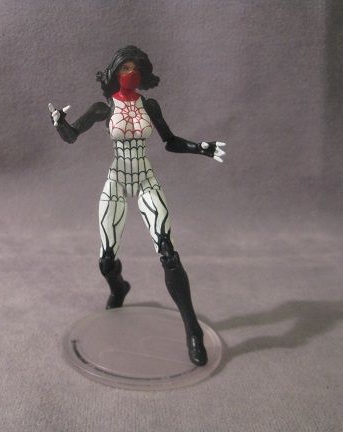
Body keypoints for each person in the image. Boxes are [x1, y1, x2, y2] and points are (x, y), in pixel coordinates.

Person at [48, 45, 226, 366]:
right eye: (124, 68)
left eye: (134, 68)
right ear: (115, 72)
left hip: (145, 179)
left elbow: (170, 141)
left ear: (142, 73)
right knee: (106, 259)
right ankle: (119, 287)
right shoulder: (103, 109)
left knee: (168, 253)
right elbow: (71, 135)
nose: (130, 73)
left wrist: (201, 148)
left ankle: (193, 330)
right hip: (117, 179)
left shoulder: (150, 105)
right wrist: (59, 121)